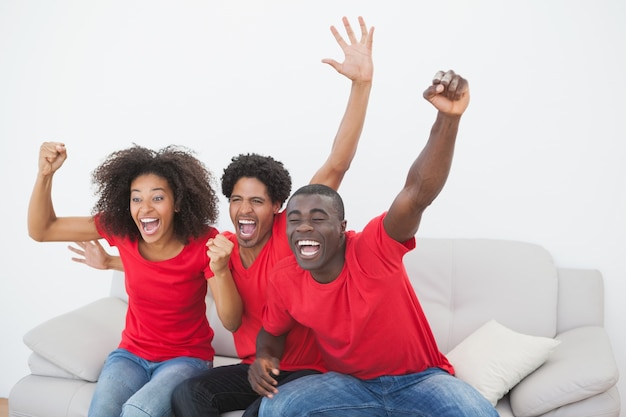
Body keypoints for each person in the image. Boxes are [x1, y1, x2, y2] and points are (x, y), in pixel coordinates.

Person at [70, 16, 375, 417]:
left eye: (257, 202)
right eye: (236, 199)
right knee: (188, 397)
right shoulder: (221, 247)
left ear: (278, 208)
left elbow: (336, 165)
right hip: (252, 367)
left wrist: (361, 85)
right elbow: (170, 272)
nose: (245, 209)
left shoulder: (290, 233)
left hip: (305, 370)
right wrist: (110, 260)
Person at [247, 70, 499, 416]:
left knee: (479, 413)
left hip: (420, 380)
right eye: (294, 220)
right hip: (347, 384)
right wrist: (265, 358)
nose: (304, 227)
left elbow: (416, 194)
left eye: (318, 218)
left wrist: (447, 119)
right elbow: (272, 334)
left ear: (341, 228)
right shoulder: (285, 276)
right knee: (277, 408)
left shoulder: (373, 250)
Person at [28, 143, 242, 417]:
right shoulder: (122, 232)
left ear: (177, 203)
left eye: (157, 198)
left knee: (137, 412)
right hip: (131, 355)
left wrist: (221, 270)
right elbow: (42, 230)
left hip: (186, 359)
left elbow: (232, 321)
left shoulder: (204, 243)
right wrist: (45, 175)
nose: (145, 208)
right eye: (136, 198)